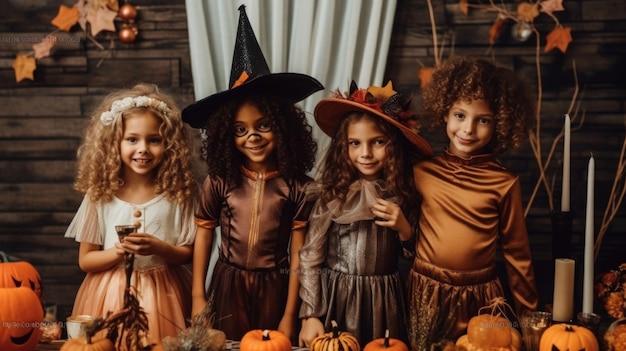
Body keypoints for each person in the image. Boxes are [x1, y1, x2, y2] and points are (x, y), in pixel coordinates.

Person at [181, 5, 323, 343]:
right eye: (240, 130)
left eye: (263, 126)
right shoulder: (220, 182)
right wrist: (198, 296)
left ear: (283, 127)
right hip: (226, 282)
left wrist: (291, 314)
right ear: (225, 135)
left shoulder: (300, 188)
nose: (253, 137)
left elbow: (300, 254)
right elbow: (204, 237)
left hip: (276, 284)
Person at [407, 56, 539, 350]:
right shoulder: (421, 172)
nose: (468, 129)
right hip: (425, 292)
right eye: (460, 115)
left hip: (481, 300)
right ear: (444, 113)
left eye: (483, 120)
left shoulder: (504, 182)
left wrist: (530, 324)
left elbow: (518, 257)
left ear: (499, 124)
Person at [298, 81, 433, 347]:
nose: (366, 153)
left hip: (384, 299)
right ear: (343, 147)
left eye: (378, 142)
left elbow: (417, 255)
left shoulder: (403, 193)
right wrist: (310, 314)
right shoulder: (332, 194)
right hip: (336, 296)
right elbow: (310, 256)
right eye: (355, 143)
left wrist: (404, 229)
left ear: (393, 145)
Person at [64, 83, 198, 345]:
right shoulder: (100, 194)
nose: (143, 149)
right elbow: (86, 260)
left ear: (169, 144)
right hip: (109, 294)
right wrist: (118, 252)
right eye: (132, 139)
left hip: (164, 294)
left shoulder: (178, 193)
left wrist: (159, 247)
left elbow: (187, 253)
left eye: (154, 140)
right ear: (115, 142)